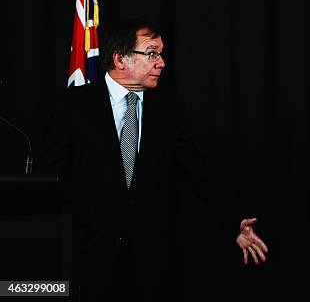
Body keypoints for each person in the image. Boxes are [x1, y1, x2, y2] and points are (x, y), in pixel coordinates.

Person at [41, 18, 268, 301]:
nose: (161, 62)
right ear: (120, 59)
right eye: (151, 53)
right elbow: (51, 180)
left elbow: (199, 176)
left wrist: (235, 221)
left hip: (151, 265)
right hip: (87, 260)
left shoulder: (168, 111)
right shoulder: (73, 106)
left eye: (160, 54)